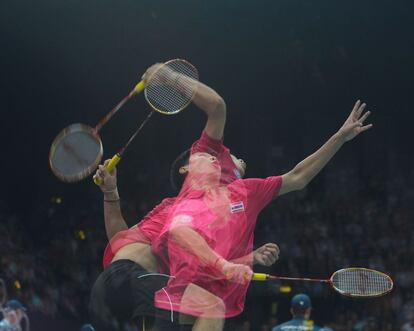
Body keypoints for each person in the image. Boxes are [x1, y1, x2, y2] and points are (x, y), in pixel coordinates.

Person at [89, 63, 280, 331]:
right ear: (187, 167)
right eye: (210, 158)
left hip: (108, 289)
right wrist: (168, 77)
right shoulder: (183, 209)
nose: (218, 162)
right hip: (138, 281)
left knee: (198, 312)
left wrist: (110, 194)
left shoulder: (177, 213)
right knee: (213, 308)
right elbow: (217, 106)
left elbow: (119, 243)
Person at [151, 98, 372, 321]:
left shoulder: (245, 192)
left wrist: (340, 137)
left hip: (210, 307)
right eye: (203, 155)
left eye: (215, 155)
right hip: (175, 305)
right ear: (185, 169)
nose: (214, 157)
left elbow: (298, 177)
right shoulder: (174, 210)